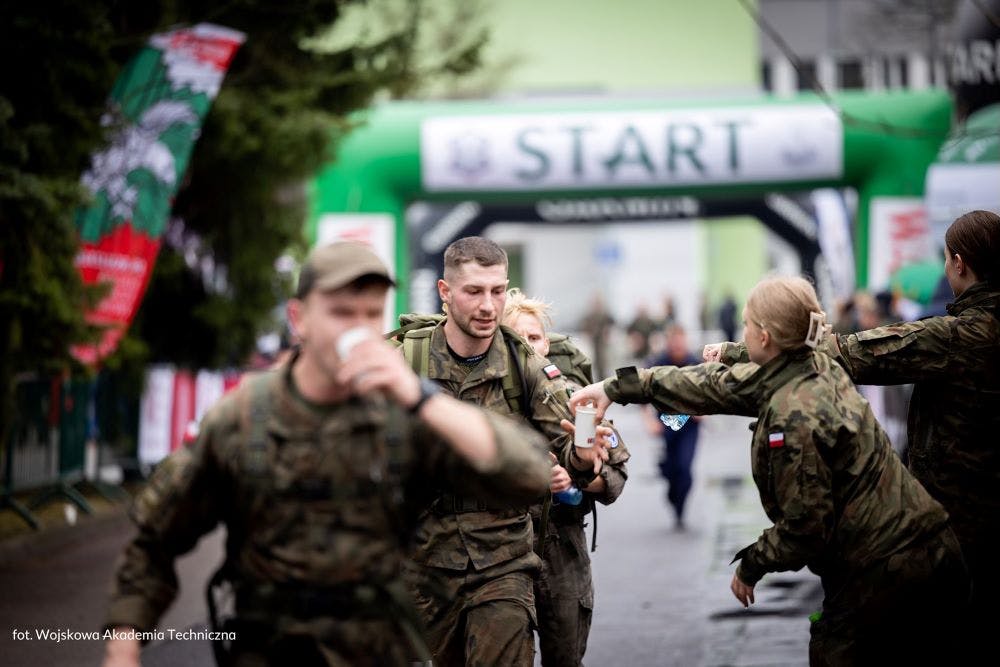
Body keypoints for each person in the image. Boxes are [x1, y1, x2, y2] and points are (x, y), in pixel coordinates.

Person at [100, 241, 554, 667]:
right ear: (300, 318)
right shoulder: (245, 417)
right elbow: (154, 542)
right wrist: (123, 649)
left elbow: (528, 473)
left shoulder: (402, 415)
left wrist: (422, 399)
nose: (357, 328)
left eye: (370, 313)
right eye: (340, 312)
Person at [571, 275, 969, 665]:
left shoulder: (793, 414)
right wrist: (615, 389)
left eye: (746, 324)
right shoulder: (811, 363)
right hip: (925, 550)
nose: (741, 332)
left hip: (886, 569)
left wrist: (752, 564)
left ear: (764, 338)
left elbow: (806, 525)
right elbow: (710, 384)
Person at [399, 238, 613, 667]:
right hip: (425, 565)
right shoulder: (406, 360)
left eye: (497, 291)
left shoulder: (522, 362)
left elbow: (568, 443)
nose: (488, 306)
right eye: (474, 291)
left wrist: (585, 453)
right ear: (444, 292)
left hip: (504, 562)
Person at [813, 209, 1000, 661]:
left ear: (958, 263)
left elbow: (854, 354)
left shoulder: (958, 337)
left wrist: (748, 348)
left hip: (957, 526)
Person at [503, 288, 630, 667]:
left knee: (566, 658)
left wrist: (575, 476)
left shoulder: (575, 399)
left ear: (547, 344)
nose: (528, 346)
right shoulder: (486, 400)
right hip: (499, 544)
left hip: (561, 543)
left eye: (535, 337)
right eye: (517, 337)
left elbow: (615, 475)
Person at [642, 324, 700, 530]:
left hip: (689, 424)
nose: (677, 345)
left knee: (685, 468)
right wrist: (649, 422)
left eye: (681, 340)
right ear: (668, 342)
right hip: (667, 423)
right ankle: (671, 490)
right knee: (670, 468)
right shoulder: (659, 362)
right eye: (673, 341)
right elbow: (641, 392)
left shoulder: (695, 363)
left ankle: (680, 507)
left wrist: (704, 412)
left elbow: (711, 390)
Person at [579, 292, 615, 380]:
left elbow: (612, 325)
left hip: (604, 344)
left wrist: (608, 333)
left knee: (605, 364)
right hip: (593, 344)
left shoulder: (605, 315)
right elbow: (584, 328)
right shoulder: (589, 316)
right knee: (594, 364)